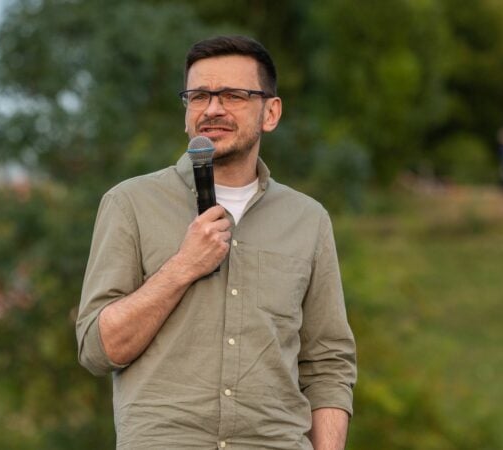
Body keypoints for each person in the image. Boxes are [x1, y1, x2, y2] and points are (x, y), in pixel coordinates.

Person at [76, 35, 357, 449]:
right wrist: (183, 265)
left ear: (271, 112)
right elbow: (98, 349)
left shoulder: (308, 220)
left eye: (233, 95)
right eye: (199, 96)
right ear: (185, 111)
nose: (212, 109)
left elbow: (328, 364)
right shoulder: (130, 203)